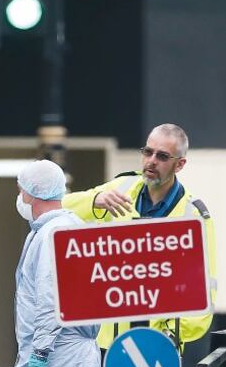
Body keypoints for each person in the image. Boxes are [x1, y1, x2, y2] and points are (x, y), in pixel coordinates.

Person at [63, 124, 217, 352]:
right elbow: (59, 209)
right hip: (105, 343)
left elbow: (205, 288)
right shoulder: (120, 188)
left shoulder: (194, 217)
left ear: (180, 164)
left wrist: (171, 334)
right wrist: (94, 201)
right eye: (147, 152)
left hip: (157, 345)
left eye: (162, 156)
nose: (151, 160)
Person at [14, 160, 101, 367]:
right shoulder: (61, 228)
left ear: (31, 194)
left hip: (58, 358)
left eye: (21, 189)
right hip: (66, 356)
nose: (20, 197)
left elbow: (51, 302)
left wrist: (38, 358)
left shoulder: (54, 233)